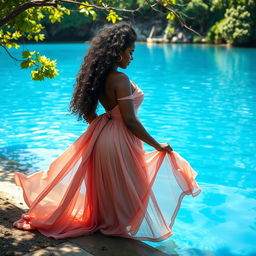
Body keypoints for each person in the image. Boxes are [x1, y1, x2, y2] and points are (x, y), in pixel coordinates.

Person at [13, 21, 201, 241]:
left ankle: (108, 227)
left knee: (110, 189)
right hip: (120, 139)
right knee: (128, 191)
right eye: (130, 52)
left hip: (103, 136)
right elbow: (130, 121)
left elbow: (90, 115)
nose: (132, 58)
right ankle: (115, 232)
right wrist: (157, 145)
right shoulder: (121, 79)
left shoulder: (97, 78)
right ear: (118, 50)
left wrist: (108, 123)